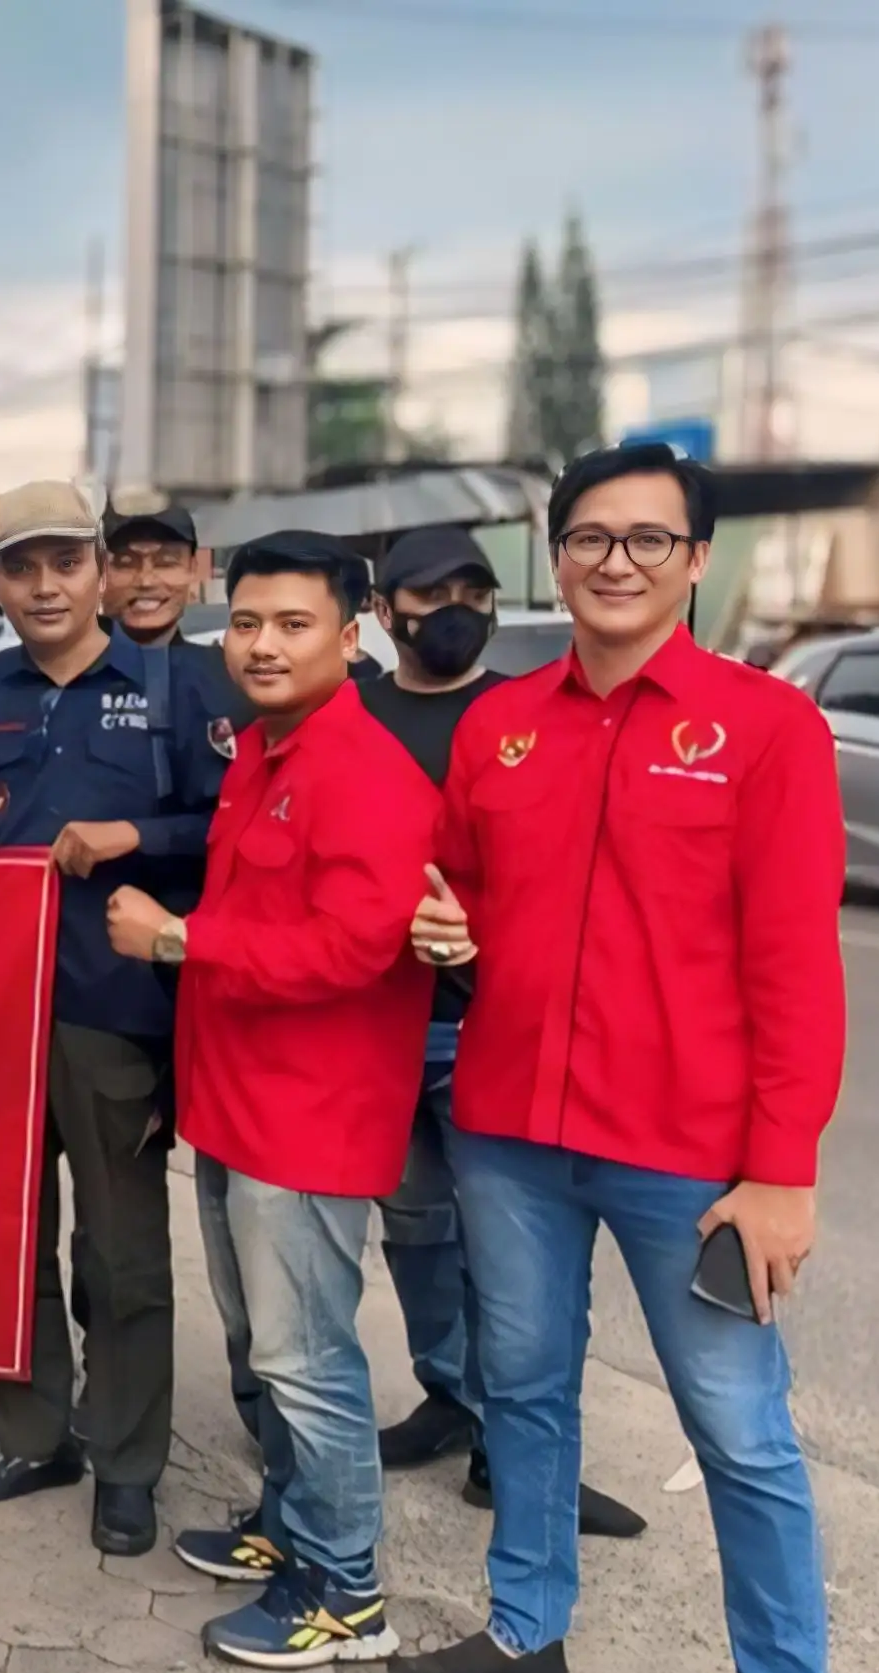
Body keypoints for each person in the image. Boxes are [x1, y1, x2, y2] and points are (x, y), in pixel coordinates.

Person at [387, 445, 857, 1673]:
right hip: (511, 1131)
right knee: (524, 1393)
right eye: (591, 538)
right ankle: (528, 1630)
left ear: (695, 562)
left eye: (650, 541)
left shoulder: (766, 727)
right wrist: (438, 922)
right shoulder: (502, 726)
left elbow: (796, 969)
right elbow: (457, 887)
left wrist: (782, 1170)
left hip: (689, 1158)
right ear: (560, 555)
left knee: (740, 1433)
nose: (617, 562)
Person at [103, 532, 437, 1669]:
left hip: (312, 1115)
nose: (262, 643)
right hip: (237, 1103)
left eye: (293, 624)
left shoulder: (366, 772)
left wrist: (180, 936)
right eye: (246, 622)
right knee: (260, 1342)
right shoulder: (262, 751)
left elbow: (352, 947)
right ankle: (288, 1527)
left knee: (308, 1356)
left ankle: (345, 1588)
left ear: (353, 636)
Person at [0, 479, 224, 1557]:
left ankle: (126, 1463)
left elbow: (232, 824)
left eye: (65, 563)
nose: (45, 585)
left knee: (121, 1253)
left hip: (115, 1012)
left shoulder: (178, 686)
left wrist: (135, 833)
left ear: (101, 570)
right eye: (20, 567)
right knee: (7, 1238)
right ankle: (35, 1435)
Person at [346, 527, 649, 1545]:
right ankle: (450, 1392)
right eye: (428, 594)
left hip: (499, 1028)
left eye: (472, 589)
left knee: (519, 1256)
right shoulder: (354, 715)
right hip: (381, 1023)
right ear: (385, 613)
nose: (454, 609)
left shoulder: (531, 715)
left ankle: (521, 1455)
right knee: (419, 1234)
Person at [100, 489, 249, 730]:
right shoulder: (57, 676)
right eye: (126, 562)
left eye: (166, 562)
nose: (146, 581)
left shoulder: (232, 679)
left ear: (192, 569)